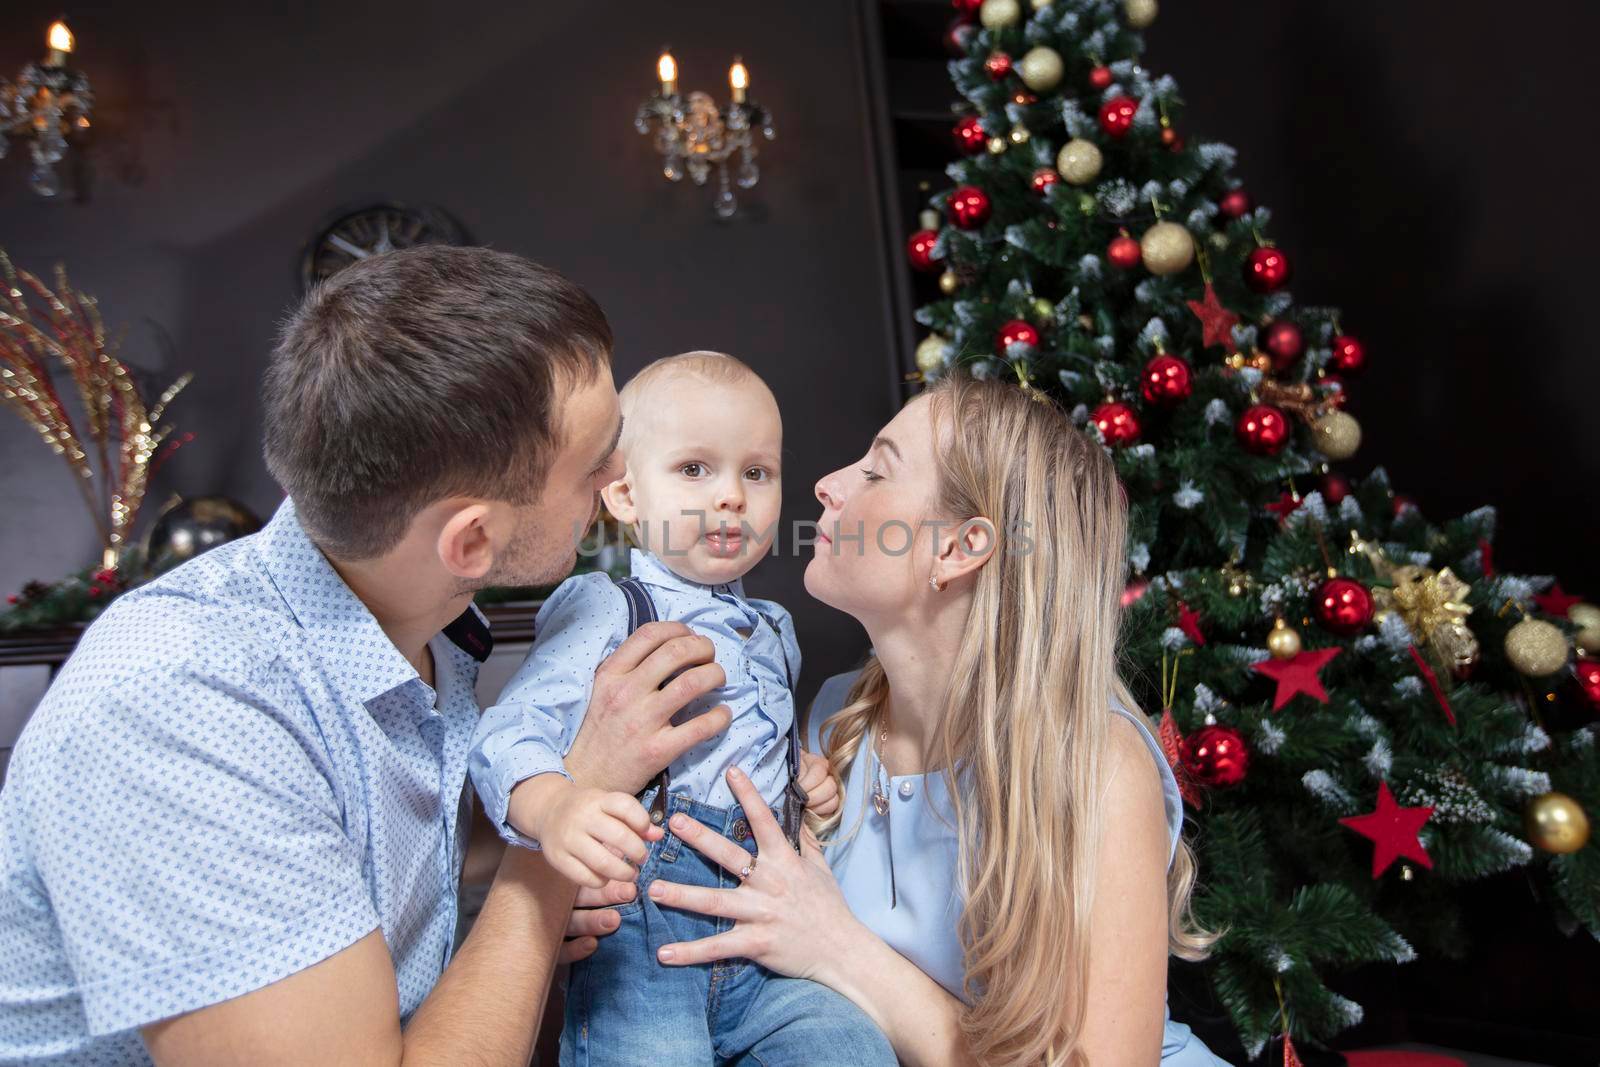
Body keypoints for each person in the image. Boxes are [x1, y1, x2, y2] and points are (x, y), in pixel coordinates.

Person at [0, 247, 737, 1066]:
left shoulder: (417, 616)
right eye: (596, 459)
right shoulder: (182, 707)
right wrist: (564, 822)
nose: (616, 477)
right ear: (473, 540)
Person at [641, 374, 1232, 1065]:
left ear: (957, 548)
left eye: (877, 470)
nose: (828, 483)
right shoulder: (833, 719)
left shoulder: (1095, 763)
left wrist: (837, 946)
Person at [470, 351, 894, 1066]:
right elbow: (509, 734)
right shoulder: (608, 606)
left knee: (850, 1046)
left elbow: (751, 745)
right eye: (695, 469)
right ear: (628, 498)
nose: (732, 495)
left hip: (767, 915)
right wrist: (556, 808)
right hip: (646, 926)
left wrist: (801, 777)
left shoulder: (772, 627)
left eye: (755, 472)